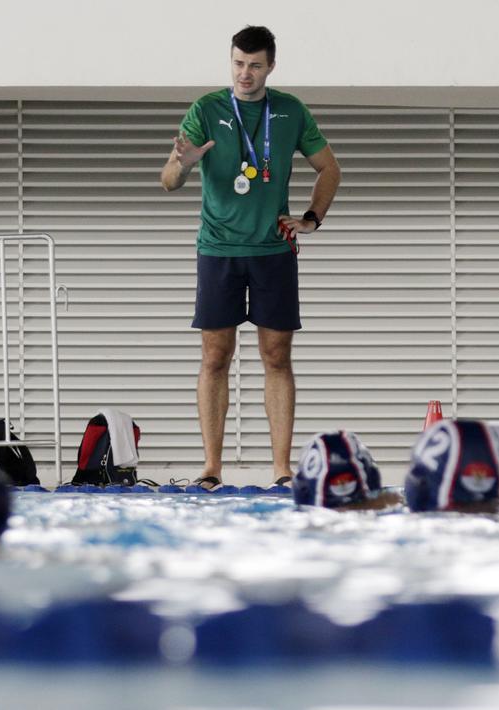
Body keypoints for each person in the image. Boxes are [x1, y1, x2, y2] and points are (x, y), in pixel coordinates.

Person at [160, 25, 341, 489]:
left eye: (255, 65)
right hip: (218, 248)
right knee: (215, 355)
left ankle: (283, 470)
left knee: (276, 356)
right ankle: (211, 469)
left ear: (271, 66)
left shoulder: (290, 110)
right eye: (238, 63)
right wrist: (183, 162)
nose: (245, 73)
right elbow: (167, 181)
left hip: (272, 250)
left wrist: (311, 218)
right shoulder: (206, 109)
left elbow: (329, 168)